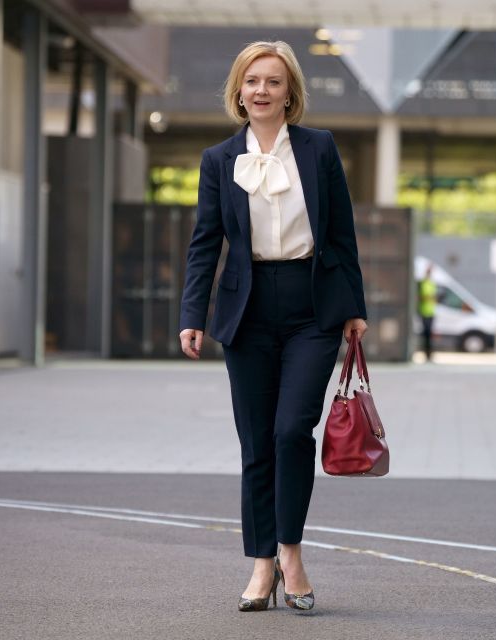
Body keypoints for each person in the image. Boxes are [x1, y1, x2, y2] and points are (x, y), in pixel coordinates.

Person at [178, 41, 368, 613]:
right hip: (248, 308)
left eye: (274, 81)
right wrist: (193, 315)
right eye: (252, 80)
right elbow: (205, 243)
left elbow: (342, 233)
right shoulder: (218, 160)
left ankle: (291, 551)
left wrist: (353, 305)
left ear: (291, 93)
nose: (262, 90)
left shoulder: (320, 149)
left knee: (292, 432)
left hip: (313, 307)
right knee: (256, 441)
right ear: (239, 90)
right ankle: (262, 564)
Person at [417, 264, 437, 361]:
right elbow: (421, 297)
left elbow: (434, 297)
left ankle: (429, 354)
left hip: (431, 312)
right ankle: (426, 353)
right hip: (424, 311)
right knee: (426, 334)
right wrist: (428, 298)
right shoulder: (423, 283)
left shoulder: (432, 283)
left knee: (429, 334)